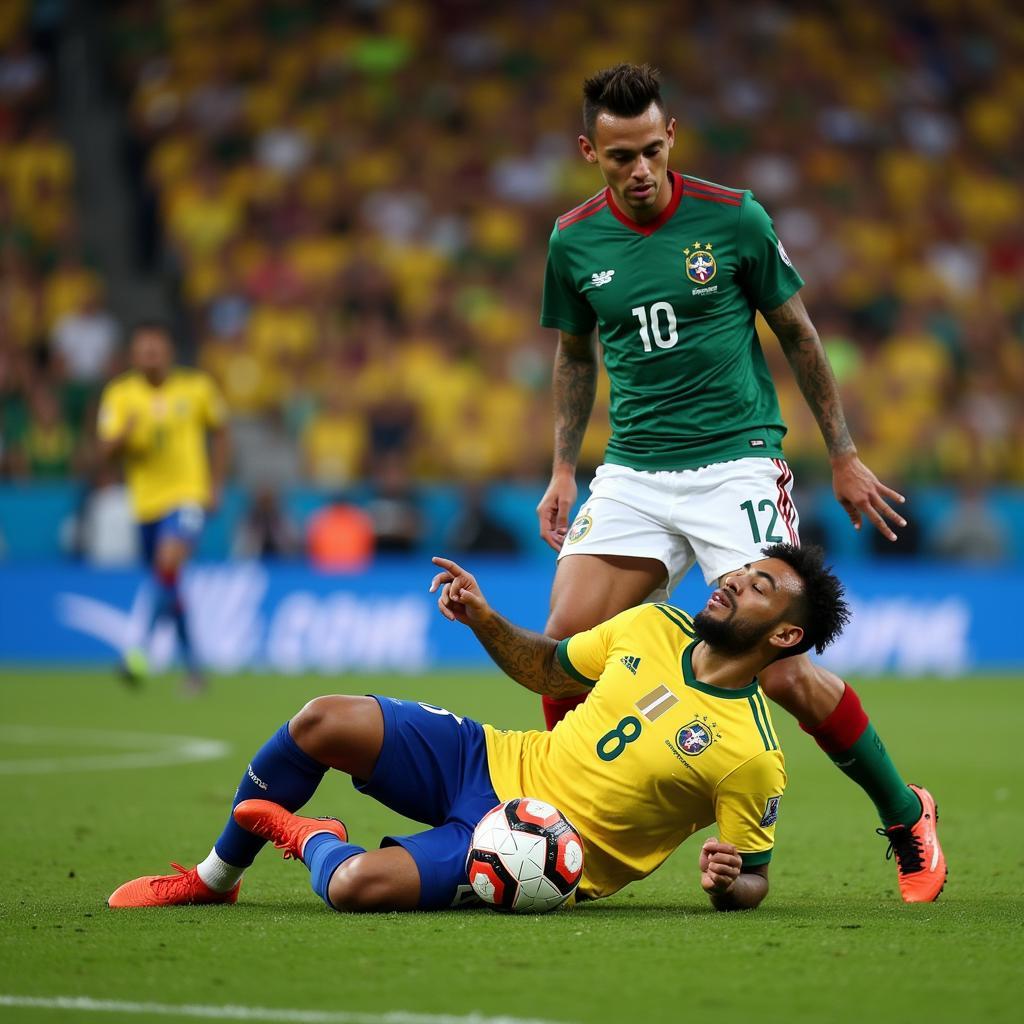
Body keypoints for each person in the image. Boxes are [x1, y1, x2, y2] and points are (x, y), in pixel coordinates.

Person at [534, 64, 944, 902]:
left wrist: (846, 451)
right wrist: (562, 469)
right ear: (589, 151)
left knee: (785, 672)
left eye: (652, 149)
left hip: (736, 464)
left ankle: (906, 814)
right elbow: (575, 356)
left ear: (672, 134)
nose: (640, 170)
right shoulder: (572, 242)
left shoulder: (735, 219)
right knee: (560, 654)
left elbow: (797, 331)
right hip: (634, 470)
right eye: (619, 158)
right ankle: (567, 828)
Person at [108, 544, 859, 914]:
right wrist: (485, 618)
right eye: (742, 571)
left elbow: (755, 874)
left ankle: (313, 835)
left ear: (786, 639)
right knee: (322, 720)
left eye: (760, 586)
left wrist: (731, 880)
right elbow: (548, 670)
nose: (733, 580)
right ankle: (213, 880)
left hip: (536, 852)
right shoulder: (653, 624)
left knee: (356, 885)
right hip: (492, 760)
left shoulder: (751, 755)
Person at [96, 321, 229, 692]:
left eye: (156, 349)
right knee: (168, 584)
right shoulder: (120, 395)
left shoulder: (197, 387)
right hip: (145, 505)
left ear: (168, 351)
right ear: (134, 356)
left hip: (188, 495)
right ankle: (195, 669)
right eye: (143, 351)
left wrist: (216, 485)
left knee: (168, 565)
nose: (150, 357)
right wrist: (122, 436)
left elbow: (221, 431)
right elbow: (103, 452)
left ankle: (138, 651)